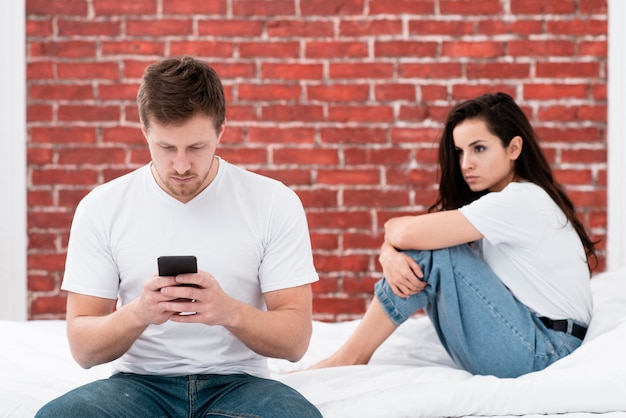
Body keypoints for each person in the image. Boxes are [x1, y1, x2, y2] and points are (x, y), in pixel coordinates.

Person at [36, 56, 322, 418]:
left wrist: (228, 312)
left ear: (221, 130)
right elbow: (83, 348)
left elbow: (296, 341)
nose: (182, 166)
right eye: (167, 148)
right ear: (144, 130)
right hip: (138, 385)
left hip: (240, 384)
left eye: (196, 148)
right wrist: (138, 314)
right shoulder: (102, 207)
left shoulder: (273, 202)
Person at [310, 92, 597, 378]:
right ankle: (350, 357)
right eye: (460, 151)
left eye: (479, 149)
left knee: (437, 252)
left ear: (513, 148)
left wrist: (390, 248)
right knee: (433, 246)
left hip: (546, 350)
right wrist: (389, 253)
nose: (465, 164)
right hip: (536, 340)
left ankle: (349, 357)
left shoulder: (520, 201)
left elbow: (407, 233)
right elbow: (411, 236)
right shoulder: (507, 202)